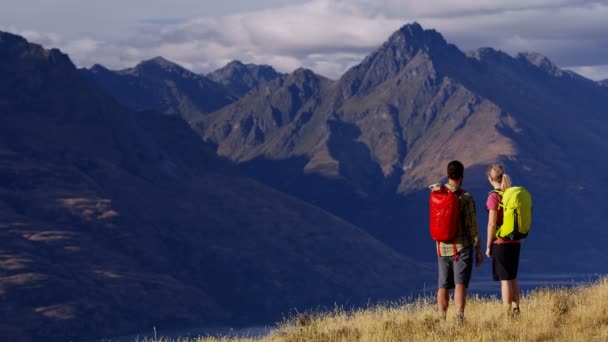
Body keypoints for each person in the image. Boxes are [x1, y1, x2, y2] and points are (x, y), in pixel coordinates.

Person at [429, 160, 483, 322]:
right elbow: (471, 225)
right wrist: (478, 248)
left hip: (441, 246)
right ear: (461, 176)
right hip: (461, 248)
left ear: (448, 174)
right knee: (460, 284)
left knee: (443, 284)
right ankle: (459, 316)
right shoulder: (465, 197)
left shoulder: (437, 193)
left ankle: (441, 317)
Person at [485, 163, 521, 317]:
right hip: (515, 241)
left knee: (505, 280)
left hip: (501, 243)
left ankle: (506, 314)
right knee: (513, 277)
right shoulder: (511, 195)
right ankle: (516, 309)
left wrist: (488, 246)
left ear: (490, 178)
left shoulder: (494, 196)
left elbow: (492, 223)